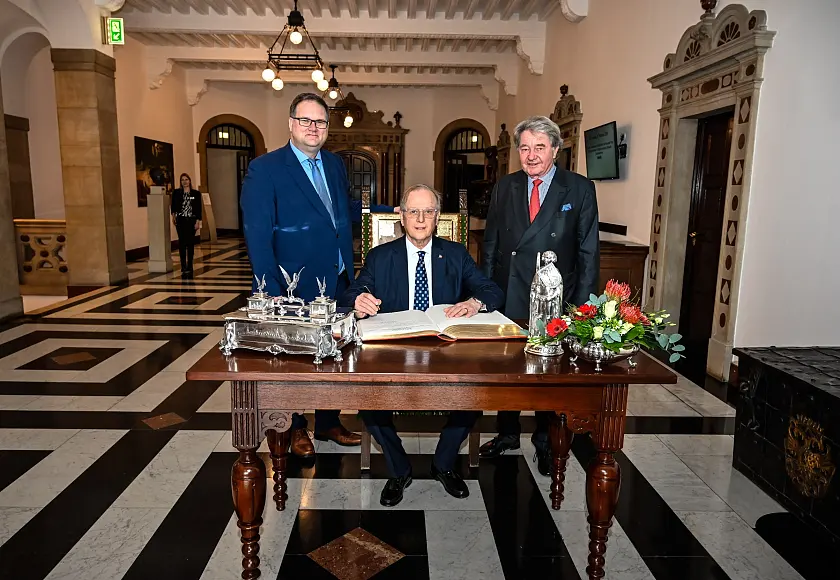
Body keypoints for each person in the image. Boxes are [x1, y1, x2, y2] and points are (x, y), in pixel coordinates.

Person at [341, 184, 504, 506]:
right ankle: (399, 469)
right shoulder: (380, 256)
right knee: (367, 399)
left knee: (475, 393)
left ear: (437, 217)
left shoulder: (455, 254)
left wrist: (474, 303)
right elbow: (351, 291)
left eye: (428, 211)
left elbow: (492, 290)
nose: (420, 219)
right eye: (413, 211)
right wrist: (357, 301)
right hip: (393, 350)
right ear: (401, 217)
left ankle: (443, 463)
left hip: (445, 351)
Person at [239, 92, 362, 459]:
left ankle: (328, 421)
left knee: (334, 351)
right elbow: (257, 233)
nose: (313, 127)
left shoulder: (335, 164)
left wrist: (393, 211)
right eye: (306, 120)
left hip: (336, 279)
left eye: (320, 122)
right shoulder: (266, 168)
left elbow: (342, 214)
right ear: (291, 123)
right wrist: (270, 288)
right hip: (291, 285)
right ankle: (294, 427)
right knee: (293, 357)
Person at [480, 115, 600, 476]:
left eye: (539, 147)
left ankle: (546, 441)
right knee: (508, 367)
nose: (531, 155)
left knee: (549, 371)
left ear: (555, 150)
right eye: (524, 148)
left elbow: (588, 252)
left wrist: (582, 307)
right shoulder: (505, 186)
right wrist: (486, 293)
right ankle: (507, 433)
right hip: (510, 291)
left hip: (555, 296)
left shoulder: (578, 188)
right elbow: (491, 243)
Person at [170, 173, 202, 278]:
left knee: (190, 244)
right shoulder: (177, 193)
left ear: (189, 181)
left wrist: (198, 221)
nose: (184, 181)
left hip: (191, 220)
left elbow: (198, 208)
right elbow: (173, 206)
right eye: (182, 180)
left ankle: (190, 266)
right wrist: (173, 216)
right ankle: (183, 266)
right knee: (182, 243)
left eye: (186, 179)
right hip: (181, 220)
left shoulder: (196, 194)